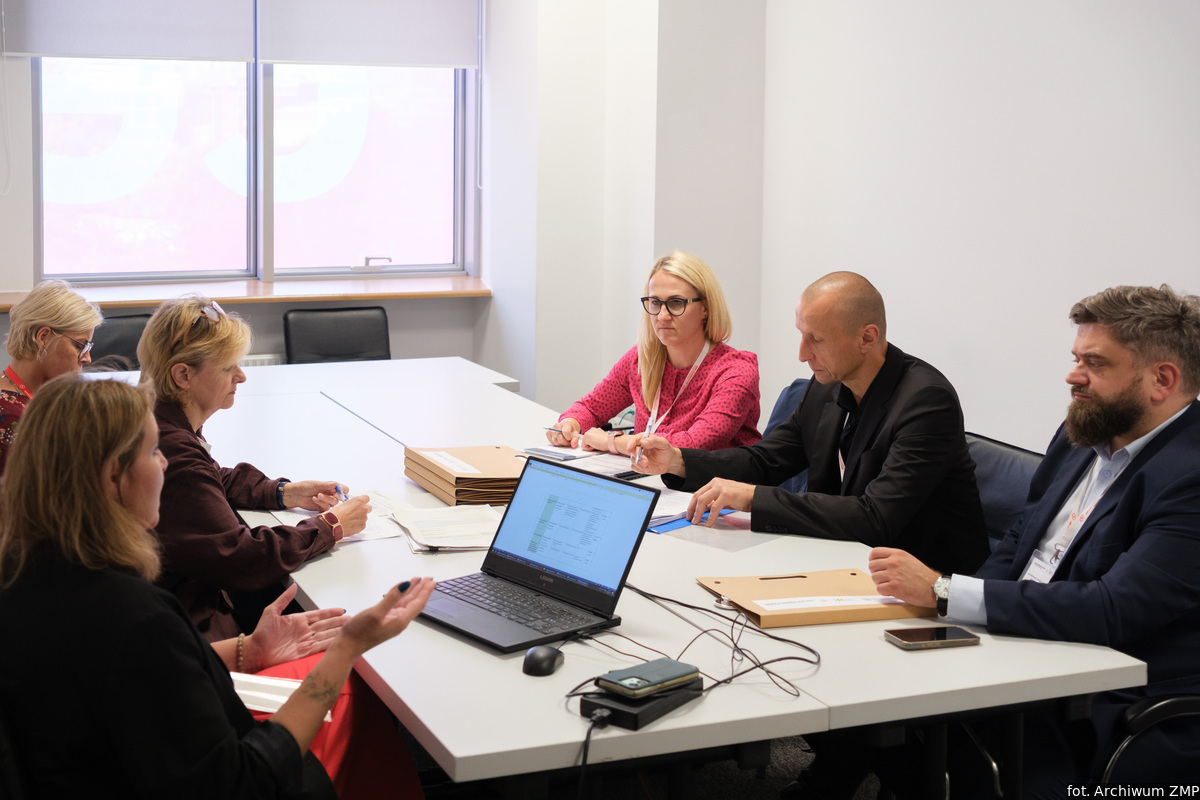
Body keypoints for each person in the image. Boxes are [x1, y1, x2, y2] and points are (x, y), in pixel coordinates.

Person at [0, 375, 435, 798]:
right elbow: (246, 782)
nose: (165, 463)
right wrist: (347, 649)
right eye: (153, 450)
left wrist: (249, 650)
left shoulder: (22, 570)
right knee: (355, 688)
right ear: (115, 477)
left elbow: (136, 675)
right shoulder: (135, 615)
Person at [866, 284, 1200, 793]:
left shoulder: (1190, 476)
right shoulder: (1081, 434)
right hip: (1028, 648)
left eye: (1095, 363)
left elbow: (1115, 609)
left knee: (928, 740)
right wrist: (956, 621)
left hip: (1110, 697)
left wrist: (945, 591)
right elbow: (1022, 540)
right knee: (876, 707)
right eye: (1076, 358)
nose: (1073, 375)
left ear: (1163, 380)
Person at [630, 271, 988, 575]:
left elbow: (875, 517)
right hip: (839, 562)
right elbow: (766, 460)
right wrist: (679, 460)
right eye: (801, 334)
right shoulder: (826, 385)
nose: (802, 354)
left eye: (816, 339)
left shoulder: (926, 402)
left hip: (925, 584)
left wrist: (753, 498)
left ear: (867, 338)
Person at [136, 296, 371, 640]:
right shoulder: (174, 451)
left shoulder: (160, 421)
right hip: (192, 632)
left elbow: (209, 479)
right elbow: (242, 558)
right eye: (228, 367)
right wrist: (329, 527)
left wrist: (285, 493)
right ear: (183, 374)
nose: (242, 376)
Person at [546, 251, 761, 455]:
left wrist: (613, 442)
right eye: (655, 303)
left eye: (676, 303)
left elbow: (695, 444)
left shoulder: (735, 372)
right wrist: (571, 423)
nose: (662, 316)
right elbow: (592, 407)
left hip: (709, 481)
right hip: (650, 477)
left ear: (705, 308)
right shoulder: (642, 359)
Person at [0, 279, 102, 472]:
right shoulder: (12, 421)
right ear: (43, 338)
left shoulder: (34, 397)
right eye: (80, 345)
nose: (87, 358)